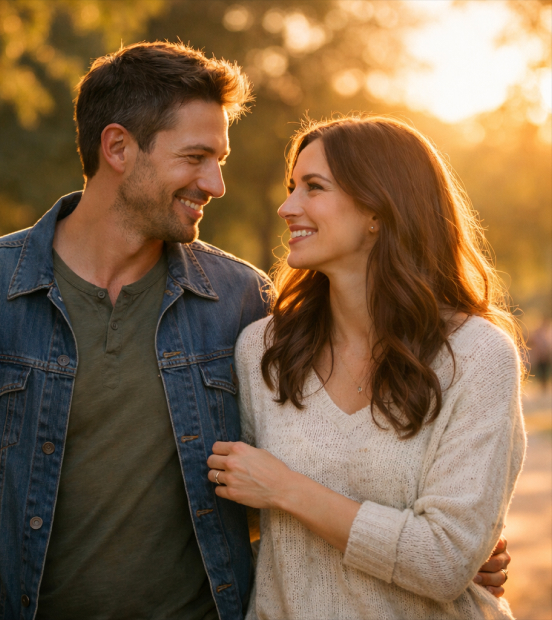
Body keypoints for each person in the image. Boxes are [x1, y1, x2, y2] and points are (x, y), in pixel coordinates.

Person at [0, 42, 509, 620]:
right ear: (117, 149)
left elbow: (304, 468)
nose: (217, 184)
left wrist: (450, 547)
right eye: (196, 158)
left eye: (220, 159)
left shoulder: (242, 303)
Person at [207, 116, 525, 619]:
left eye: (314, 188)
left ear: (378, 209)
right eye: (292, 188)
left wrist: (289, 489)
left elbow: (443, 561)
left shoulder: (477, 357)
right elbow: (226, 518)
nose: (287, 207)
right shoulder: (262, 351)